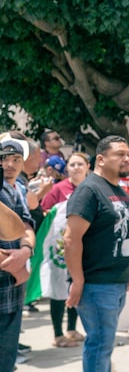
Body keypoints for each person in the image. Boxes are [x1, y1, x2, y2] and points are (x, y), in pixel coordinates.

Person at [64, 135, 129, 372]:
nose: (126, 159)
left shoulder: (115, 189)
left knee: (104, 344)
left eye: (128, 155)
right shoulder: (89, 190)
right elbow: (71, 238)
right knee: (100, 345)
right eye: (119, 154)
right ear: (100, 159)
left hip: (116, 284)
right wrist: (77, 280)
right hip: (97, 285)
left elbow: (122, 232)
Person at [39, 152, 91, 348]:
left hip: (84, 247)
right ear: (67, 168)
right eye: (72, 164)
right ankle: (58, 334)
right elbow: (44, 212)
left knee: (77, 287)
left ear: (88, 166)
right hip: (59, 250)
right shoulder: (58, 189)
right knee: (58, 289)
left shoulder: (92, 188)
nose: (76, 167)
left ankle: (71, 328)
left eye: (80, 164)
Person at [0, 137, 38, 370]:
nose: (10, 164)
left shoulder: (19, 189)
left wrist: (25, 252)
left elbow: (26, 225)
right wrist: (11, 263)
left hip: (13, 285)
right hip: (9, 273)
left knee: (7, 354)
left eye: (16, 159)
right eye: (4, 159)